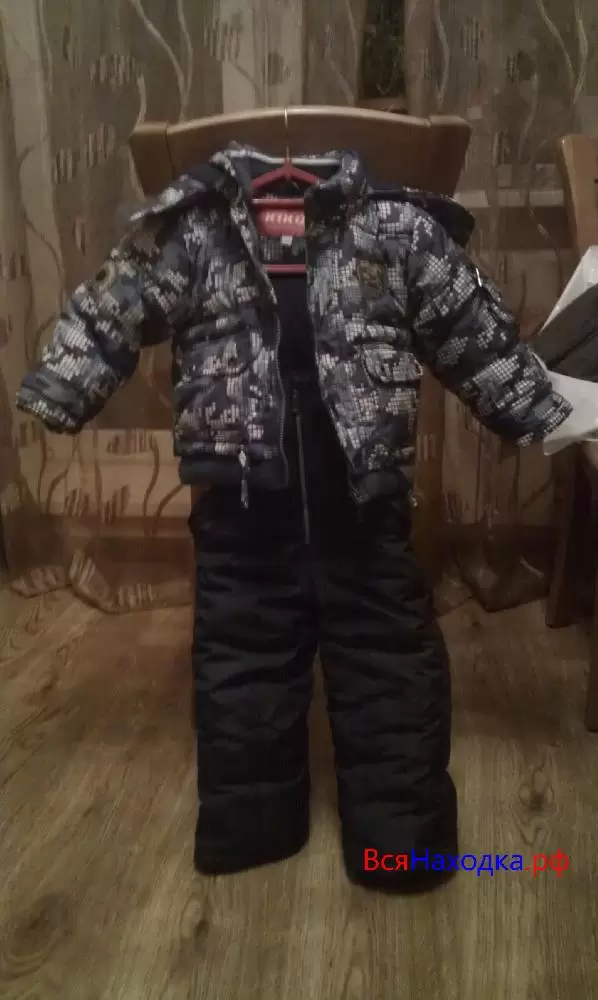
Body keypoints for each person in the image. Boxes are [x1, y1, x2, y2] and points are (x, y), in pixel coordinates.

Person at [16, 146, 571, 891]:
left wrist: (533, 408)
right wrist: (62, 385)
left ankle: (402, 845)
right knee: (242, 661)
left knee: (387, 661)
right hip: (242, 505)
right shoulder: (197, 230)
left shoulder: (395, 227)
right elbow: (110, 305)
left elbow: (469, 324)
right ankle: (253, 827)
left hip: (364, 502)